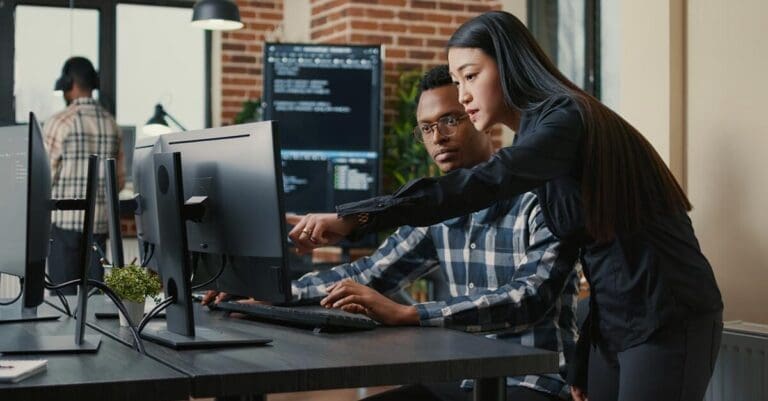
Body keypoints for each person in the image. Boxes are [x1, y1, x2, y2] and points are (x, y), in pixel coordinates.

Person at [287, 11, 723, 401]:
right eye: (457, 82)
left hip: (668, 313)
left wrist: (355, 217)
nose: (462, 95)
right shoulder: (544, 137)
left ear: (509, 65)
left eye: (471, 76)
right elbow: (598, 255)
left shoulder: (565, 118)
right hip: (614, 323)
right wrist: (585, 355)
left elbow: (484, 184)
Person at [207, 65, 580, 401]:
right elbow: (366, 273)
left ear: (478, 117)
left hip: (537, 383)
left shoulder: (542, 198)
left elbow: (528, 297)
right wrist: (268, 293)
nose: (438, 137)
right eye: (428, 128)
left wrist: (408, 313)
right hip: (469, 380)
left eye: (450, 120)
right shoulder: (436, 212)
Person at [44, 56, 124, 294]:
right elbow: (118, 181)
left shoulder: (59, 123)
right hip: (98, 228)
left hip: (64, 228)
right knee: (95, 305)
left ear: (70, 84)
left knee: (63, 304)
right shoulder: (112, 124)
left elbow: (44, 179)